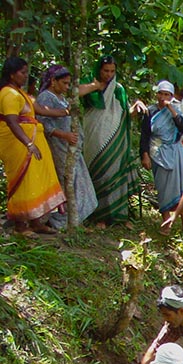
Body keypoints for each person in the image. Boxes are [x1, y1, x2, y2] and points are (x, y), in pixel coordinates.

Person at [0, 57, 65, 235]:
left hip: (32, 144)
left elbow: (41, 109)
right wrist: (28, 143)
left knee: (36, 180)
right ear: (12, 74)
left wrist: (66, 111)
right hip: (19, 145)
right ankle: (21, 226)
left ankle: (36, 223)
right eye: (22, 73)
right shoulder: (8, 94)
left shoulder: (21, 94)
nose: (25, 76)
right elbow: (12, 122)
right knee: (24, 182)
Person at [82, 56, 144, 226]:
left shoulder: (118, 89)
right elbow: (74, 94)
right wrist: (95, 86)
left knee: (115, 174)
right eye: (105, 70)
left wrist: (136, 107)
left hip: (115, 137)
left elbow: (124, 114)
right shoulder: (89, 82)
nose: (108, 74)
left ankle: (119, 215)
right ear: (99, 70)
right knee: (98, 172)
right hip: (94, 135)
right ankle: (98, 216)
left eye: (112, 71)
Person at [36, 64, 99, 229]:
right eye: (63, 83)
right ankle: (61, 221)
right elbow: (44, 124)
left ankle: (72, 220)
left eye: (68, 83)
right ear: (53, 81)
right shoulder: (46, 98)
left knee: (79, 184)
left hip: (71, 148)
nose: (66, 87)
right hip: (60, 148)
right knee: (69, 182)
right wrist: (64, 135)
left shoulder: (61, 97)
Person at [140, 80, 183, 220]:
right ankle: (166, 221)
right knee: (163, 188)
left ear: (171, 96)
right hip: (158, 153)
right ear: (157, 94)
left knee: (182, 188)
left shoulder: (176, 111)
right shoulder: (150, 111)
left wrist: (171, 110)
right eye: (161, 94)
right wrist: (144, 155)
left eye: (167, 94)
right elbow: (145, 135)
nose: (163, 97)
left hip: (175, 153)